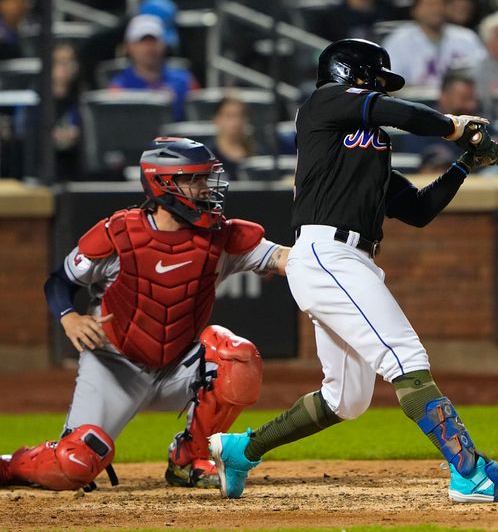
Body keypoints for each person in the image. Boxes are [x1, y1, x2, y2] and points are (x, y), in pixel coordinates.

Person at [209, 38, 498, 504]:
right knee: (405, 357)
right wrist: (455, 127)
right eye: (375, 81)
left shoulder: (368, 156)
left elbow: (419, 210)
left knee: (346, 399)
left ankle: (243, 450)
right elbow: (400, 113)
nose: (380, 89)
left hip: (350, 260)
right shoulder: (322, 103)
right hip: (327, 253)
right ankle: (469, 472)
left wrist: (464, 164)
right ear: (354, 75)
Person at [0, 138, 290, 491]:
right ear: (164, 185)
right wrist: (69, 318)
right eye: (194, 180)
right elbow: (60, 281)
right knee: (73, 463)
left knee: (237, 358)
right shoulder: (119, 234)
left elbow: (282, 258)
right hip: (115, 365)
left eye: (206, 178)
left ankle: (190, 459)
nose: (205, 189)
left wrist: (326, 258)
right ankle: (11, 465)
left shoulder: (221, 235)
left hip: (179, 365)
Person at [109, 15, 200, 121]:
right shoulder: (119, 89)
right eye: (142, 41)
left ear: (164, 44)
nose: (148, 48)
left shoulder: (186, 81)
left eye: (153, 40)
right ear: (129, 47)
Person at [382, 0, 486, 87]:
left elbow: (482, 74)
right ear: (415, 10)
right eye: (430, 5)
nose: (436, 10)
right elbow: (390, 82)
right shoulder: (398, 40)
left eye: (441, 4)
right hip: (414, 103)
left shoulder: (466, 37)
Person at [52, 42, 82, 180]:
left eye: (69, 61)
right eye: (60, 62)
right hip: (48, 167)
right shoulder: (36, 101)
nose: (65, 67)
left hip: (76, 166)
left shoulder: (82, 99)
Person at [209, 97, 257, 179]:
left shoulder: (257, 152)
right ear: (217, 119)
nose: (236, 122)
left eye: (240, 116)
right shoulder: (207, 156)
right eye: (229, 116)